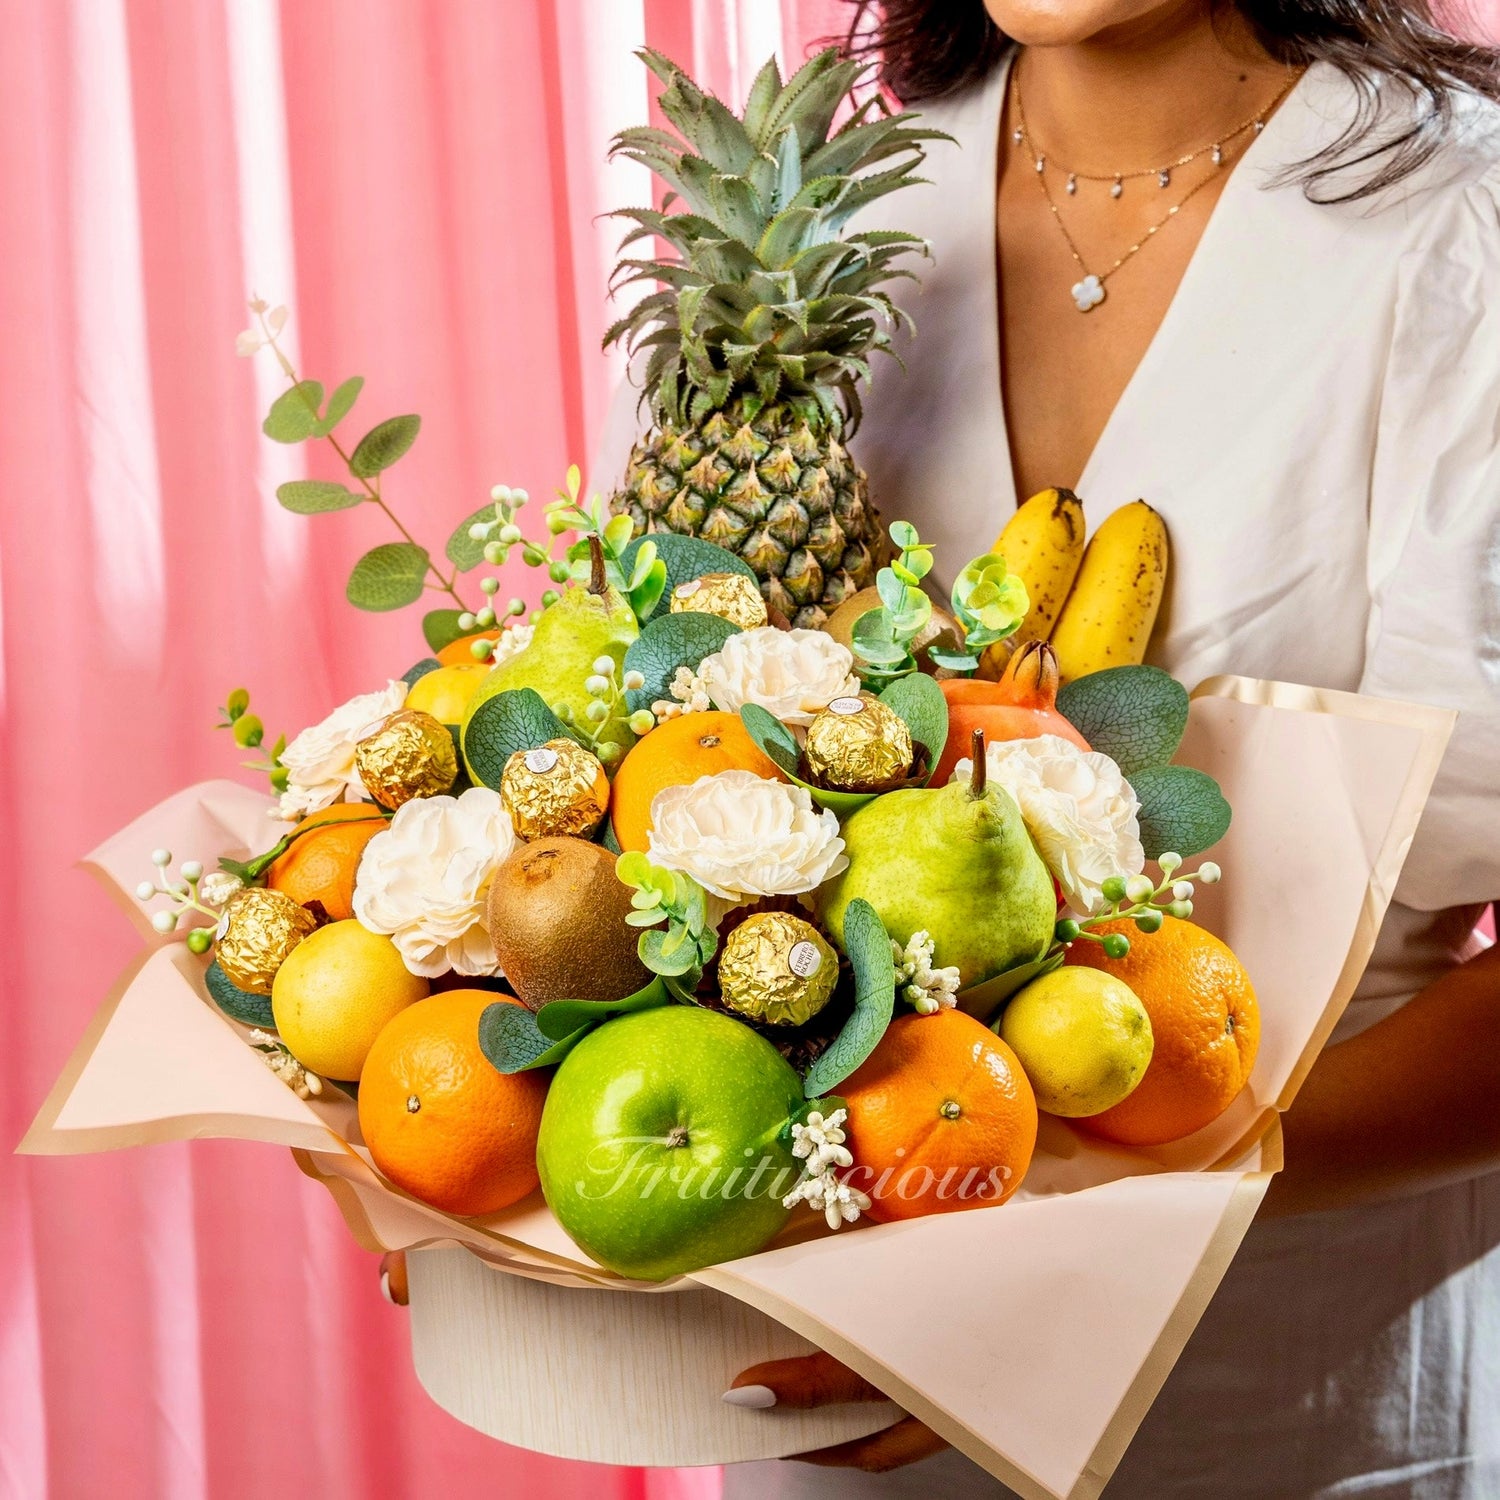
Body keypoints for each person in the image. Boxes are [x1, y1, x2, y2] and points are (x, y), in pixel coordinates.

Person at [385, 2, 1500, 1493]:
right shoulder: (831, 218)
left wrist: (1109, 1239)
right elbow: (633, 782)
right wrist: (462, 1129)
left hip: (1279, 1366)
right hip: (814, 1373)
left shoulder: (1461, 226)